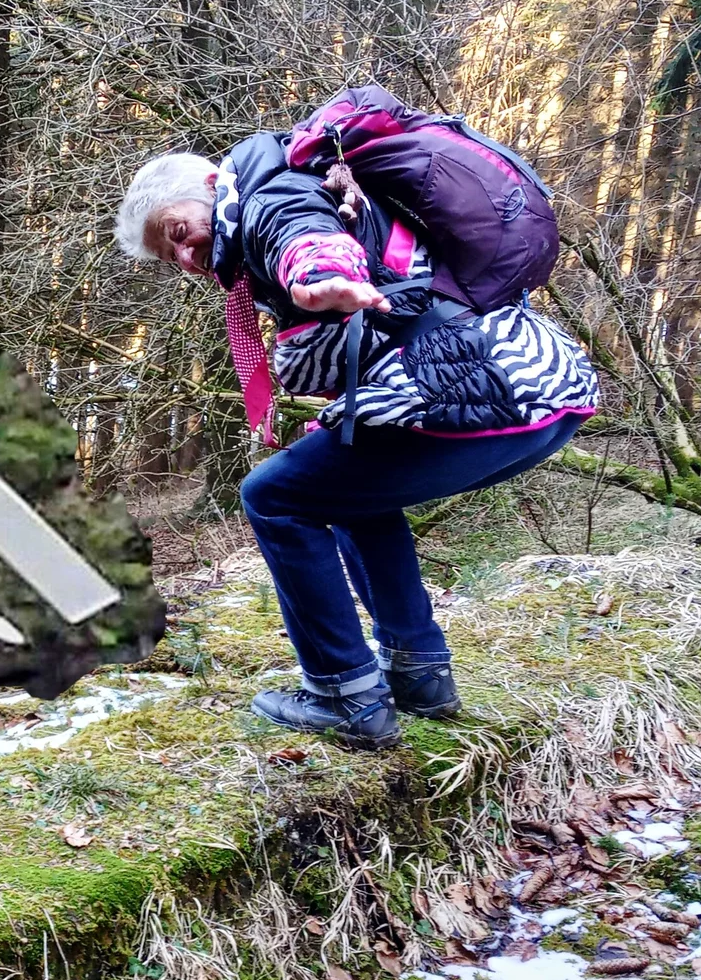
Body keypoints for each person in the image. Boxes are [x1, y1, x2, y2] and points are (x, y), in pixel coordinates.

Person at [113, 135, 598, 749]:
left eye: (178, 232)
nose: (184, 257)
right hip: (530, 390)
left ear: (210, 187)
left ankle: (344, 695)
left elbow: (303, 233)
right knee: (343, 494)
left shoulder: (264, 194)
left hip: (481, 390)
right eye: (169, 255)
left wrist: (323, 278)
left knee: (272, 495)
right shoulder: (274, 200)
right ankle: (419, 674)